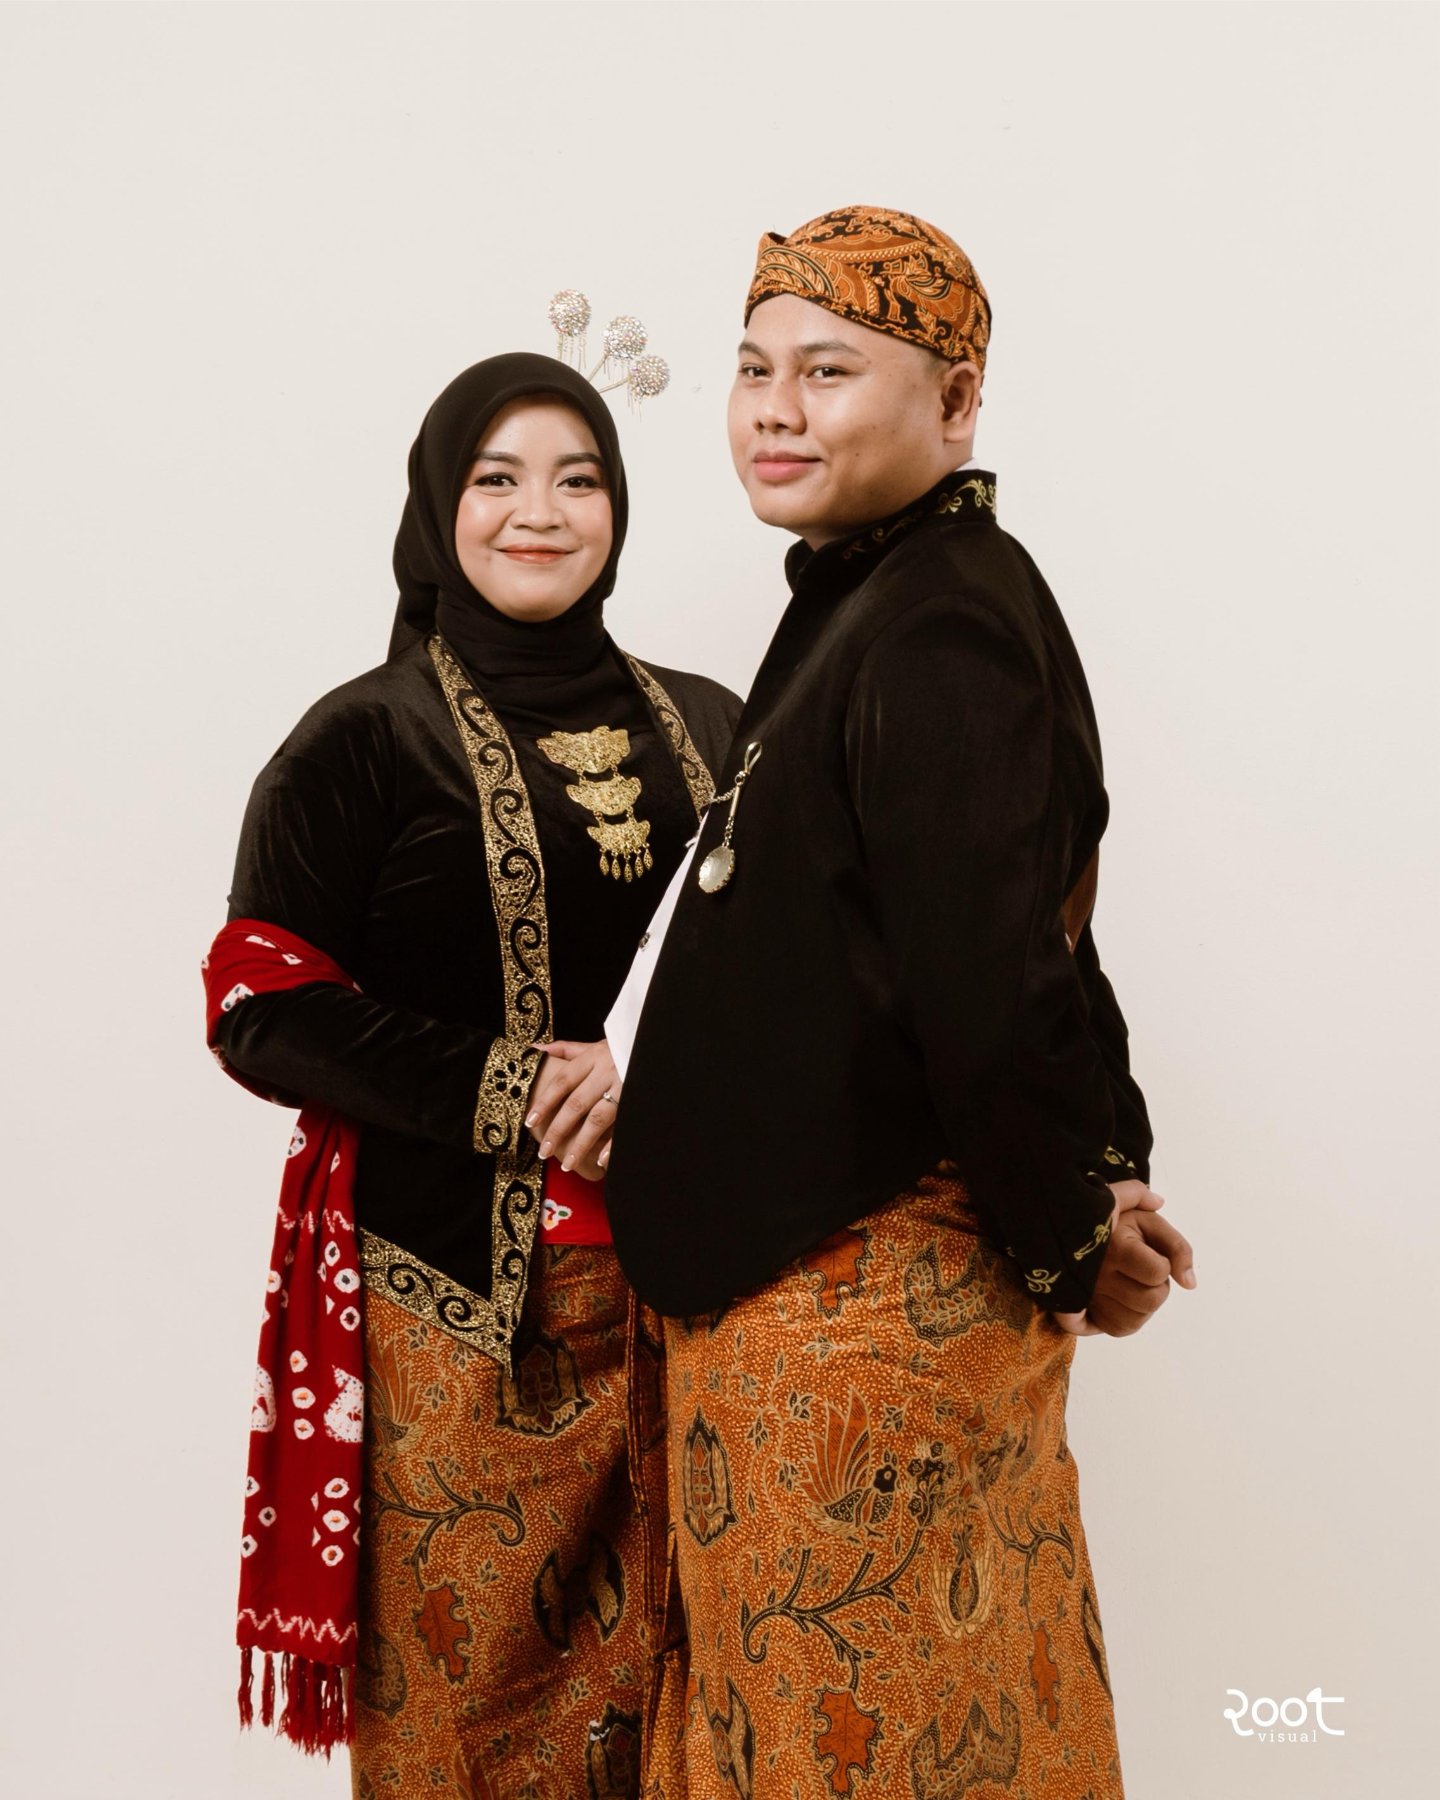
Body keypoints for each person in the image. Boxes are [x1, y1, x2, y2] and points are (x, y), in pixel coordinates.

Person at [589, 207, 1196, 1798]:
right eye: (753, 369)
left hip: (862, 1327)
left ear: (958, 399)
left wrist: (1076, 1221)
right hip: (799, 1302)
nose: (775, 409)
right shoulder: (870, 596)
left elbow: (997, 974)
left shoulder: (941, 617)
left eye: (829, 370)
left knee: (881, 1744)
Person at [202, 351, 740, 1797]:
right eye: (498, 479)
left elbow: (797, 969)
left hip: (701, 1301)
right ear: (440, 503)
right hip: (462, 1312)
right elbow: (260, 1002)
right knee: (471, 1713)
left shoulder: (716, 726)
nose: (539, 513)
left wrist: (659, 1077)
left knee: (692, 1706)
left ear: (620, 507)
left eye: (579, 479)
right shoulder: (363, 738)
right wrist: (516, 1091)